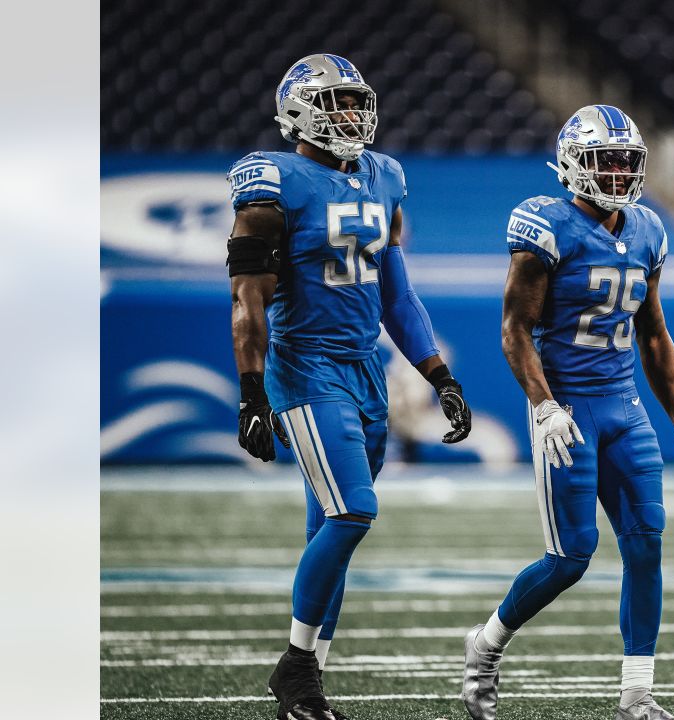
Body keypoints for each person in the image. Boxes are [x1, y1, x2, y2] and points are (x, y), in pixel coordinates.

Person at [227, 53, 472, 720]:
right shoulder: (274, 181)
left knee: (325, 530)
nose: (350, 115)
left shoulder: (384, 176)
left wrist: (437, 374)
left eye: (354, 100)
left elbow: (397, 293)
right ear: (299, 112)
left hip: (366, 371)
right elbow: (249, 300)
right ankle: (297, 667)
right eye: (334, 103)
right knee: (352, 512)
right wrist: (252, 392)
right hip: (307, 368)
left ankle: (307, 696)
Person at [460, 105, 674, 720]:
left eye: (629, 161)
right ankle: (486, 645)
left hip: (624, 406)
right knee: (570, 557)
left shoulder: (648, 230)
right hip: (567, 409)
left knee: (646, 544)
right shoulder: (545, 226)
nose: (620, 173)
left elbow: (654, 334)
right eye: (608, 160)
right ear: (573, 162)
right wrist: (544, 405)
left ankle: (636, 695)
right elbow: (515, 329)